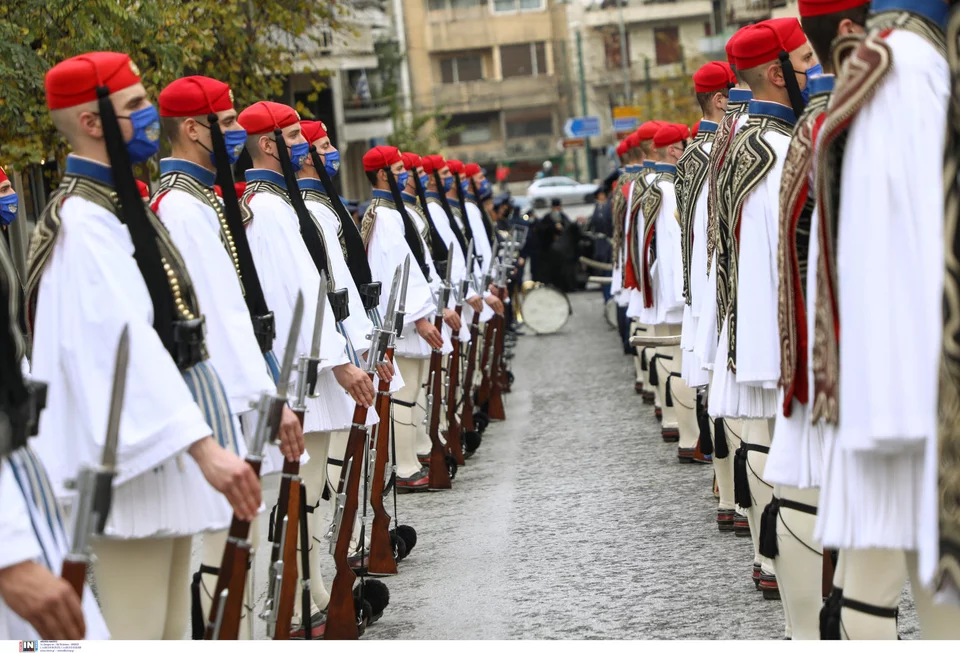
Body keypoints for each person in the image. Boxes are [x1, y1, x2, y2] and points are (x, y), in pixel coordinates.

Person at [28, 51, 261, 640]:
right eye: (135, 106)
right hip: (131, 461)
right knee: (141, 633)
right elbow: (122, 346)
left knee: (174, 630)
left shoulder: (116, 208)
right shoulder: (82, 223)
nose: (150, 116)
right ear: (91, 121)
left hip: (161, 452)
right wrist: (205, 448)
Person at [814, 0, 960, 638]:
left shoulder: (884, 61)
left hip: (896, 353)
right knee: (908, 557)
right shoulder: (911, 64)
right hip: (920, 357)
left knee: (918, 561)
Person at [153, 75, 304, 639]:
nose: (238, 133)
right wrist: (267, 400)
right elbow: (220, 317)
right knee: (228, 548)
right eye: (229, 121)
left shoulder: (199, 202)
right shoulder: (185, 210)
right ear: (194, 129)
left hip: (234, 392)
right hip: (221, 396)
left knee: (244, 543)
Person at [237, 100, 374, 636]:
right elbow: (299, 294)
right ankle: (295, 601)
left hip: (313, 359)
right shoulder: (267, 207)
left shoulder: (274, 201)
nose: (307, 148)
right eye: (295, 137)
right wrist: (340, 361)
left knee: (314, 489)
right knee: (303, 491)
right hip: (302, 369)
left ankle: (312, 587)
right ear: (269, 144)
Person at [759, 0, 866, 639]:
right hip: (830, 344)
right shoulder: (813, 128)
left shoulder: (798, 131)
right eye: (799, 61)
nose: (808, 70)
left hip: (807, 341)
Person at [710, 19, 816, 621]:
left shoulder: (739, 141)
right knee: (799, 471)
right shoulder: (777, 149)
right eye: (806, 64)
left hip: (755, 323)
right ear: (777, 74)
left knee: (775, 452)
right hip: (785, 327)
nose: (816, 73)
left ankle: (780, 571)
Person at [360, 145, 442, 491]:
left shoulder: (391, 211)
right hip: (404, 319)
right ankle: (405, 465)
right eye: (399, 170)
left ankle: (416, 452)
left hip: (411, 314)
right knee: (404, 393)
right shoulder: (385, 215)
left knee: (414, 388)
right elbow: (397, 270)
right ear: (383, 175)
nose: (407, 176)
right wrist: (420, 316)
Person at [676, 60, 735, 523]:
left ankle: (727, 495)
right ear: (721, 99)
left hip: (702, 291)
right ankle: (735, 496)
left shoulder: (690, 156)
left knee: (719, 396)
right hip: (724, 288)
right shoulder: (726, 148)